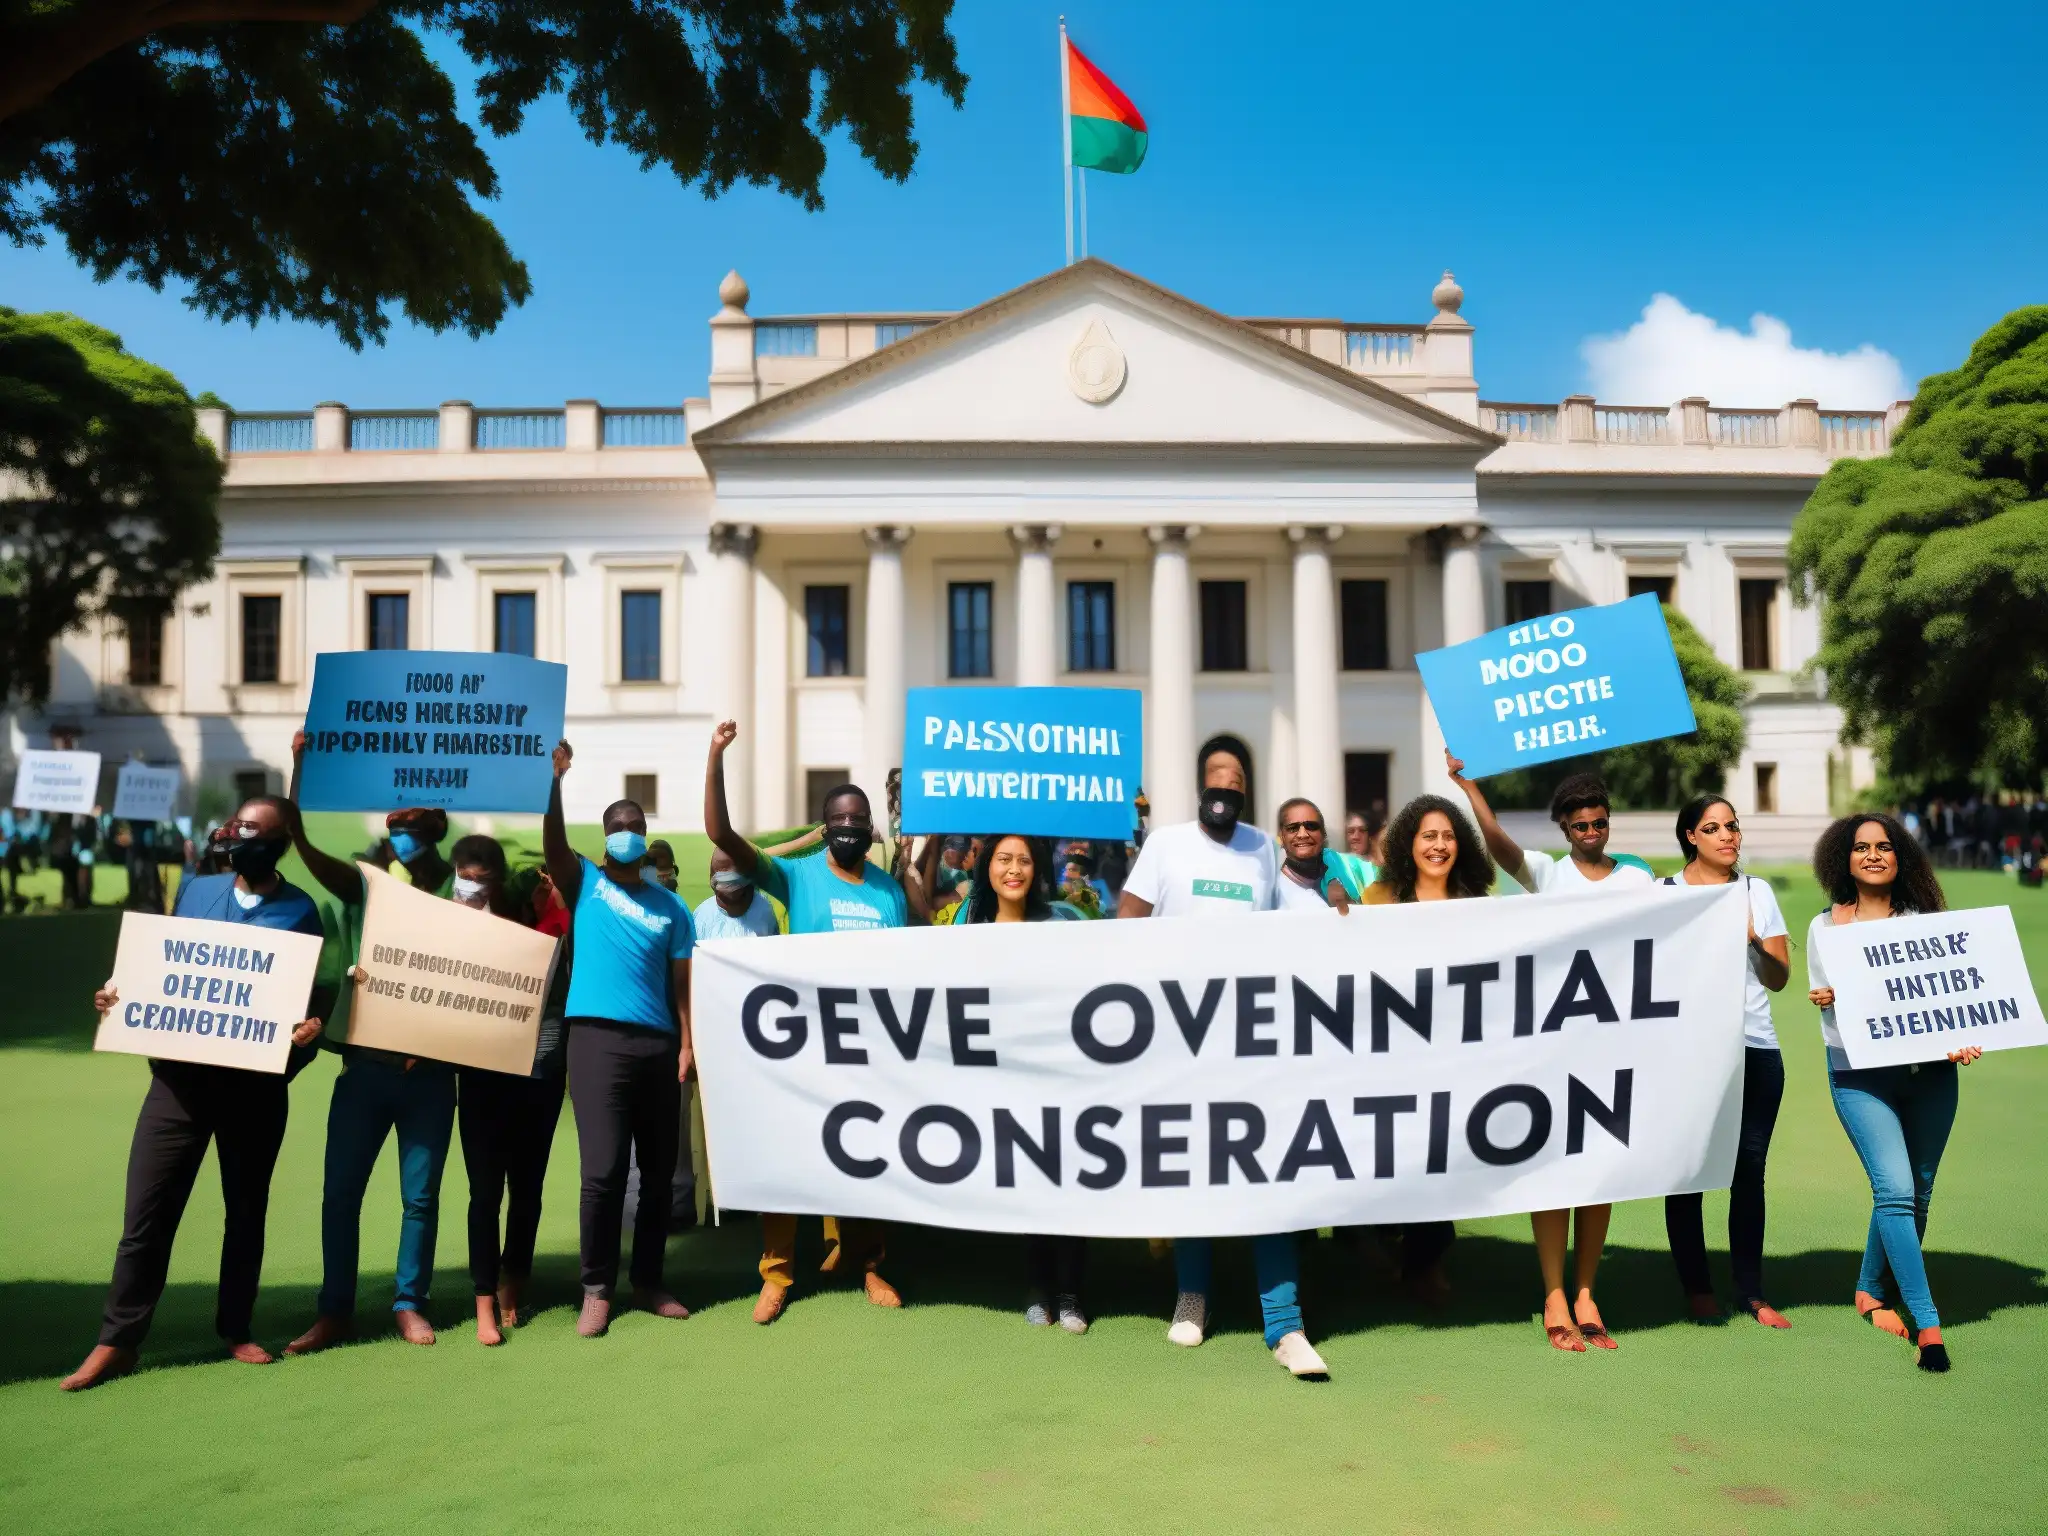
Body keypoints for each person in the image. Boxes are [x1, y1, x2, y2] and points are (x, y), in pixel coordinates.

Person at [61, 795, 331, 1390]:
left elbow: (313, 1002)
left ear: (278, 842)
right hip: (178, 1087)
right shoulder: (194, 892)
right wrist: (117, 995)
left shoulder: (302, 911)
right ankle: (117, 1341)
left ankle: (235, 1328)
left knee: (245, 1213)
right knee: (146, 1217)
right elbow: (161, 974)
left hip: (255, 1091)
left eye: (249, 828)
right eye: (234, 824)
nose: (234, 834)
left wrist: (306, 1037)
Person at [1119, 744, 1326, 1378]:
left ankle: (1285, 1326)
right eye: (1215, 779)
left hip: (1254, 1037)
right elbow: (1127, 922)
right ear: (1199, 785)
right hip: (1182, 1036)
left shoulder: (1264, 847)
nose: (1224, 790)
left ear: (1245, 791)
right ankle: (1192, 1302)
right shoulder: (1168, 846)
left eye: (1235, 782)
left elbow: (1289, 920)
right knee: (1195, 1168)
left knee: (1268, 1172)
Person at [705, 719, 906, 1321]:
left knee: (864, 1156)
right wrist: (715, 756)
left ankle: (867, 1264)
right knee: (787, 1154)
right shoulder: (795, 875)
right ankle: (777, 1274)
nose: (849, 829)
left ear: (870, 830)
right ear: (825, 829)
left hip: (866, 1046)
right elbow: (721, 831)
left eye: (858, 821)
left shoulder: (888, 893)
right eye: (838, 821)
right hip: (801, 1045)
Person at [1450, 757, 1652, 1349]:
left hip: (1615, 1040)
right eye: (1580, 825)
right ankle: (1554, 1294)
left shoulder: (1637, 881)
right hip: (1555, 1041)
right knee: (1554, 1169)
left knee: (1598, 1172)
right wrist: (1468, 785)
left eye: (1599, 823)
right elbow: (1494, 841)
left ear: (1607, 822)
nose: (1591, 832)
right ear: (1564, 829)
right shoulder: (1546, 873)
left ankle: (1587, 1290)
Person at [282, 735, 462, 1353]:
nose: (403, 832)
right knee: (341, 1194)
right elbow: (304, 848)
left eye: (414, 824)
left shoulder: (460, 897)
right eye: (395, 825)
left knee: (421, 1198)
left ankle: (410, 1303)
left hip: (432, 1076)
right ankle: (334, 1310)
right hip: (365, 1072)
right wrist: (300, 769)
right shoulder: (365, 887)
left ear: (436, 830)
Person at [1807, 813, 1977, 1373]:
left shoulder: (1923, 923)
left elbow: (1951, 1001)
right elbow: (1834, 1027)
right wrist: (1830, 1002)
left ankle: (1869, 1290)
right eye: (1861, 848)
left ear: (1899, 856)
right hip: (1860, 1076)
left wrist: (1961, 1041)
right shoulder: (1824, 928)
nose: (1873, 855)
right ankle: (1929, 1326)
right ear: (1844, 859)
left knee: (1918, 1192)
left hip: (1929, 1075)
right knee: (1896, 1189)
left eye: (1884, 846)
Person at [538, 741, 695, 1338]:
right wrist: (554, 782)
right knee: (602, 1172)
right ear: (604, 837)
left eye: (635, 825)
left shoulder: (672, 908)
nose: (626, 833)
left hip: (658, 1049)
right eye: (617, 826)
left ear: (646, 833)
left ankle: (649, 1281)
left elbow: (683, 985)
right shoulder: (586, 885)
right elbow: (552, 843)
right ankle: (597, 1288)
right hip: (596, 1045)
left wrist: (686, 1042)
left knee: (657, 1176)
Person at [1658, 796, 1792, 1327]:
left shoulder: (1757, 892)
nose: (1727, 836)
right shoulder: (1662, 896)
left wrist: (1753, 939)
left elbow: (1778, 977)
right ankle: (1697, 1289)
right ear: (1691, 836)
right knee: (1687, 1172)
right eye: (1712, 828)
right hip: (1687, 1054)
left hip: (1755, 1049)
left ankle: (1751, 1291)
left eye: (1732, 826)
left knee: (1748, 1172)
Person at [1361, 793, 1497, 1307]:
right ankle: (1383, 1238)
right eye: (1428, 836)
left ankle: (1425, 1259)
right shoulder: (1378, 899)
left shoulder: (1479, 905)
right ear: (1408, 844)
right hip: (1393, 1054)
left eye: (1447, 836)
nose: (1439, 846)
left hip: (1455, 1054)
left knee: (1443, 1160)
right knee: (1399, 1157)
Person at [954, 833, 1090, 1331]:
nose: (1014, 870)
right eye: (1004, 860)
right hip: (1005, 1079)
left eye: (1024, 861)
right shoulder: (970, 930)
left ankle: (1072, 1292)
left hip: (1063, 1074)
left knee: (1069, 1182)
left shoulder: (1063, 923)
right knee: (1029, 1185)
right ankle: (1038, 1289)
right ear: (987, 868)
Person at [446, 834, 568, 1346]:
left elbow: (556, 960)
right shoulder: (441, 928)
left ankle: (514, 1279)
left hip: (539, 1074)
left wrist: (553, 907)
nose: (471, 888)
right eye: (464, 879)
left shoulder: (535, 926)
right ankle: (483, 1300)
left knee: (528, 1190)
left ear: (498, 883)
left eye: (481, 880)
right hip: (479, 1078)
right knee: (484, 1193)